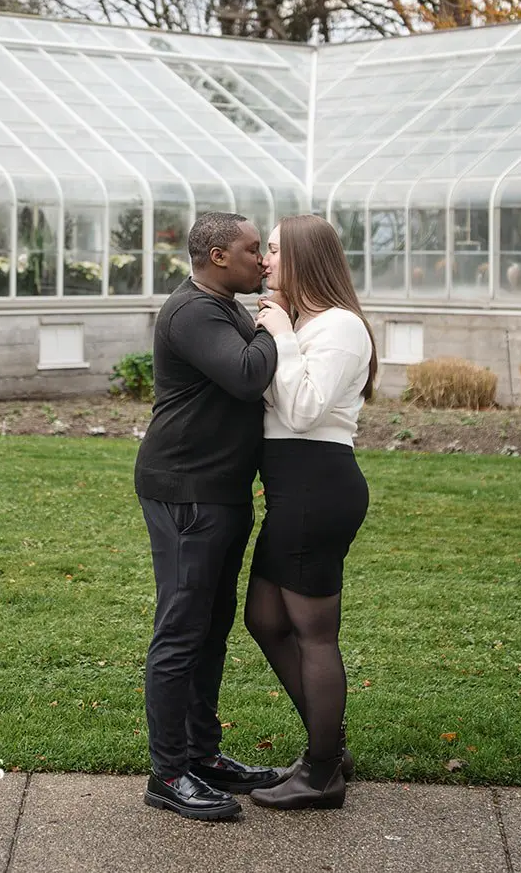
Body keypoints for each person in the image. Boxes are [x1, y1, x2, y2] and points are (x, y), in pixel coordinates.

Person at [134, 211, 285, 821]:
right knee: (181, 631)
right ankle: (168, 773)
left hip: (218, 490)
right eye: (254, 250)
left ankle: (202, 754)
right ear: (219, 256)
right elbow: (248, 376)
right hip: (185, 490)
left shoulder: (221, 307)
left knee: (210, 627)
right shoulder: (194, 310)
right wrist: (276, 323)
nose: (264, 261)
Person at [244, 214, 378, 810]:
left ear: (301, 257)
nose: (264, 261)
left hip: (317, 489)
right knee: (264, 618)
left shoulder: (341, 327)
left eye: (273, 251)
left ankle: (324, 770)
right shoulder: (304, 324)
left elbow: (301, 410)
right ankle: (330, 746)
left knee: (314, 634)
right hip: (293, 489)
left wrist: (279, 332)